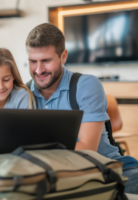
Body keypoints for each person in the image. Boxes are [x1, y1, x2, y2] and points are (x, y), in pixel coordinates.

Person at [25, 23, 138, 194]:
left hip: (107, 169)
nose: (39, 70)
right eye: (33, 62)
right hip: (52, 176)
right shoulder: (24, 94)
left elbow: (87, 149)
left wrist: (35, 149)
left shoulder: (85, 85)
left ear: (63, 57)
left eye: (46, 61)